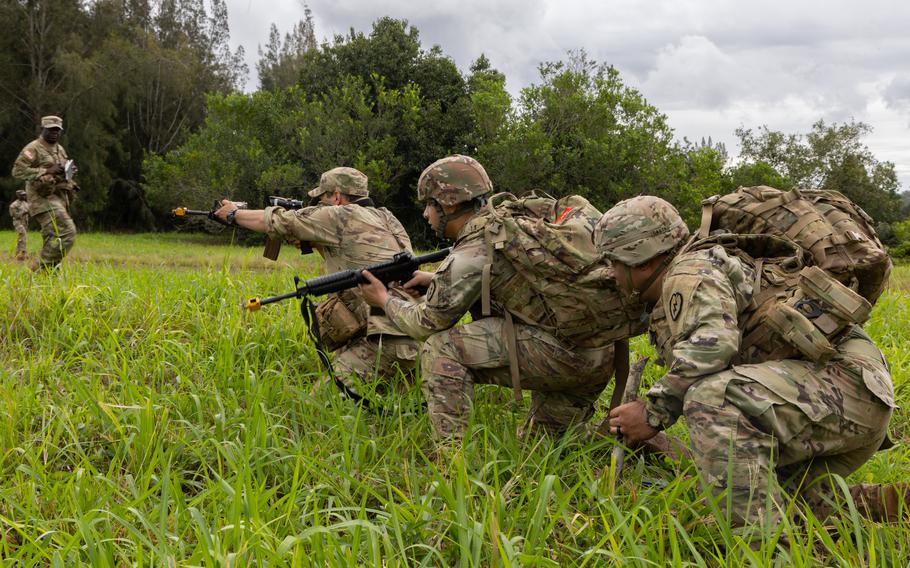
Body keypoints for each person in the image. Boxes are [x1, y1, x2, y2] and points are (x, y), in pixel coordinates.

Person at [598, 196, 900, 529]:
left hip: (843, 389)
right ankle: (881, 505)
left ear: (641, 261)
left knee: (712, 400)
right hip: (841, 394)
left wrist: (652, 413)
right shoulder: (701, 264)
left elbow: (713, 347)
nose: (610, 273)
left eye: (613, 261)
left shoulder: (689, 271)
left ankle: (764, 550)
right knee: (753, 498)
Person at [360, 155, 645, 441]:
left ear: (448, 204)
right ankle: (631, 446)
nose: (425, 214)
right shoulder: (512, 224)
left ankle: (450, 459)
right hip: (597, 353)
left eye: (429, 205)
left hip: (559, 359)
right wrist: (434, 280)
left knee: (441, 347)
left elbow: (426, 323)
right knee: (543, 450)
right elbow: (529, 284)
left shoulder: (470, 251)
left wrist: (383, 299)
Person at [214, 166, 420, 396]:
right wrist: (321, 245)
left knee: (316, 408)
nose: (319, 205)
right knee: (394, 409)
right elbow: (357, 267)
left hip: (385, 339)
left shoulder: (340, 214)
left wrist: (233, 214)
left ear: (337, 196)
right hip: (413, 331)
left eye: (322, 199)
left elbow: (275, 221)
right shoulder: (387, 218)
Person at [11, 115, 78, 271]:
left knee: (53, 238)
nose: (54, 133)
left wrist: (69, 171)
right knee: (68, 232)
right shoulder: (33, 148)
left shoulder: (59, 148)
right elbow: (17, 171)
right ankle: (39, 269)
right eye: (50, 130)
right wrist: (46, 170)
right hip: (41, 199)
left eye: (57, 130)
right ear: (43, 129)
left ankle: (48, 278)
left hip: (59, 197)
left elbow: (59, 169)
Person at [8, 190, 30, 260]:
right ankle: (22, 254)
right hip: (18, 223)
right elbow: (14, 215)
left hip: (25, 222)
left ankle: (19, 254)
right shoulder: (14, 205)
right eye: (22, 195)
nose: (24, 196)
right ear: (18, 196)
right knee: (22, 235)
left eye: (25, 195)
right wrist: (24, 212)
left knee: (22, 238)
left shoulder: (26, 203)